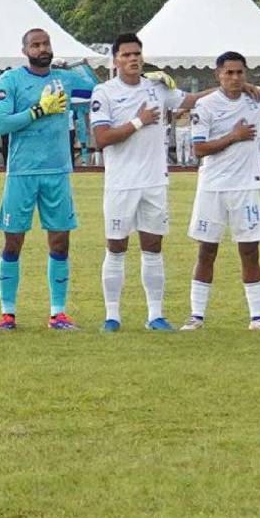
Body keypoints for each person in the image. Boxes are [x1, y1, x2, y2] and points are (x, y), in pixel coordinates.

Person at [89, 33, 213, 332]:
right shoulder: (103, 92)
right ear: (116, 60)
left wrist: (228, 86)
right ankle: (112, 316)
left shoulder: (157, 87)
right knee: (116, 247)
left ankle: (155, 315)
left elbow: (191, 100)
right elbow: (102, 138)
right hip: (120, 183)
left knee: (153, 247)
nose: (133, 59)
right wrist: (139, 121)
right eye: (126, 55)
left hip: (154, 182)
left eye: (137, 54)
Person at [0, 28, 94, 331]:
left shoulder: (64, 79)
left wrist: (81, 65)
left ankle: (58, 313)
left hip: (57, 171)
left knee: (61, 240)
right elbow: (2, 123)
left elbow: (98, 90)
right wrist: (38, 110)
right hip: (22, 172)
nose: (42, 48)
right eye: (35, 45)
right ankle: (7, 313)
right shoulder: (11, 80)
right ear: (24, 50)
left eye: (46, 43)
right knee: (13, 241)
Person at [184, 51, 260, 331]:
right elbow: (199, 149)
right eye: (229, 73)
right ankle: (196, 316)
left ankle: (257, 317)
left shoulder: (257, 98)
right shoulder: (206, 105)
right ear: (218, 75)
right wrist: (233, 137)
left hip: (246, 186)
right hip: (212, 186)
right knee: (206, 251)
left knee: (250, 252)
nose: (235, 78)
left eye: (240, 73)